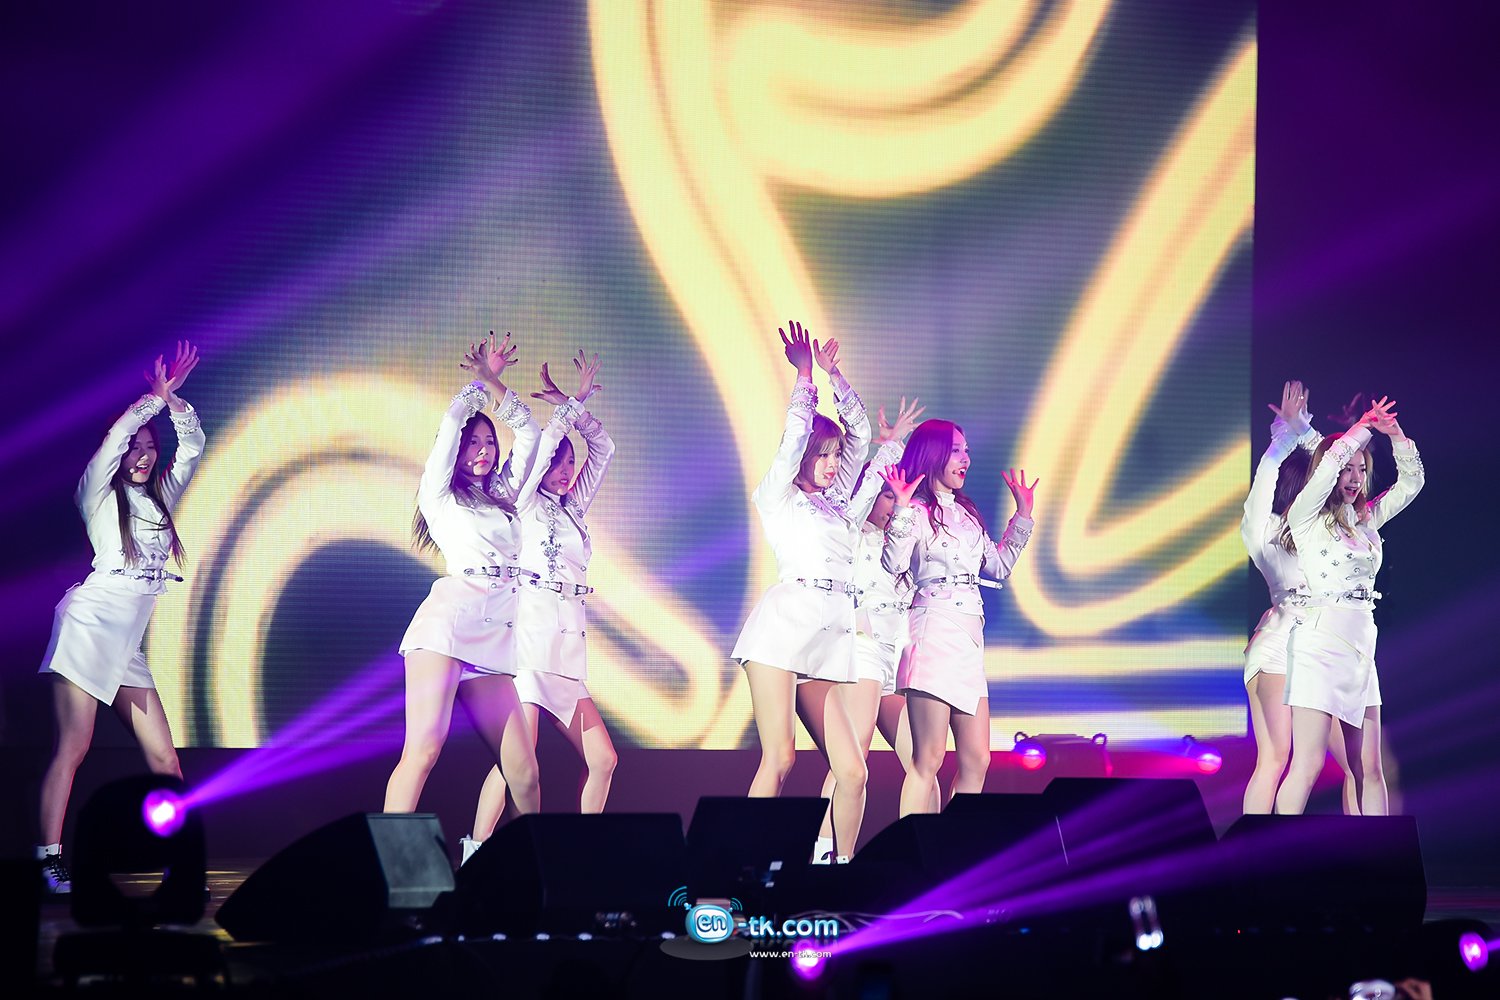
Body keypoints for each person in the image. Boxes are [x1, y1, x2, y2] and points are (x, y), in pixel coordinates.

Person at [384, 333, 583, 821]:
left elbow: (530, 435)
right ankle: (388, 858)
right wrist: (477, 385)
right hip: (447, 628)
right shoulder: (440, 494)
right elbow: (452, 423)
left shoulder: (502, 494)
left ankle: (519, 862)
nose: (483, 450)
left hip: (495, 637)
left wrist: (496, 385)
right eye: (473, 442)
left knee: (526, 774)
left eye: (489, 442)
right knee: (423, 751)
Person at [37, 342, 204, 893]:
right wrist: (150, 401)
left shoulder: (159, 501)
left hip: (127, 646)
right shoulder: (97, 494)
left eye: (150, 449)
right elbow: (114, 440)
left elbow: (193, 448)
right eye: (136, 448)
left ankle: (180, 866)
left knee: (166, 760)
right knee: (74, 746)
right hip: (89, 627)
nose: (143, 456)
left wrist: (174, 405)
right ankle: (47, 860)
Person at [730, 320, 876, 862]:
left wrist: (836, 376)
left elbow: (862, 437)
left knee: (853, 771)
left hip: (828, 639)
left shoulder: (834, 505)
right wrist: (806, 377)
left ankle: (840, 871)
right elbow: (794, 440)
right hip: (782, 633)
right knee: (781, 758)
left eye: (835, 456)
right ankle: (741, 867)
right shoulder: (779, 497)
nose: (834, 464)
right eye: (824, 455)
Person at [464, 354, 614, 862]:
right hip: (530, 638)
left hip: (567, 649)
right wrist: (567, 410)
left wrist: (577, 408)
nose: (566, 471)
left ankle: (586, 858)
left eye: (571, 463)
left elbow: (604, 448)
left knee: (604, 759)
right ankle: (478, 852)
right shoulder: (523, 500)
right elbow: (547, 441)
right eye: (558, 463)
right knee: (517, 760)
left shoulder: (574, 509)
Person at [1273, 395, 1423, 815]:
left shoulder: (1365, 520)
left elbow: (1411, 483)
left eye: (1362, 469)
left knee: (1370, 767)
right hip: (1320, 643)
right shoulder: (1306, 518)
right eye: (1347, 469)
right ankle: (1276, 850)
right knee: (1307, 764)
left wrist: (1394, 434)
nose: (1355, 478)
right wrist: (1364, 426)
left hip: (1360, 646)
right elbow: (1328, 463)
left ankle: (1381, 852)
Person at [880, 421, 1036, 816]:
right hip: (933, 631)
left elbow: (998, 567)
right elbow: (893, 563)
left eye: (966, 450)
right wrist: (901, 510)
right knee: (928, 759)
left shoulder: (967, 513)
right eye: (955, 451)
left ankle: (952, 842)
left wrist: (1022, 515)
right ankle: (913, 844)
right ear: (933, 454)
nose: (965, 458)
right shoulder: (915, 510)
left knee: (978, 759)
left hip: (969, 639)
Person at [809, 400, 925, 863]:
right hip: (862, 651)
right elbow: (870, 484)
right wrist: (889, 444)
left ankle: (925, 859)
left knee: (922, 760)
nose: (893, 502)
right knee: (851, 759)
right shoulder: (852, 531)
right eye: (886, 495)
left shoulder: (898, 541)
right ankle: (825, 857)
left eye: (897, 497)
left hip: (895, 660)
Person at [1241, 380, 1357, 814]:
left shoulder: (1325, 531)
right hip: (1281, 649)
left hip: (1317, 650)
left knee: (1354, 764)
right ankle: (1255, 850)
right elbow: (1281, 476)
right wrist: (1290, 434)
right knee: (1277, 758)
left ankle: (1367, 849)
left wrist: (1294, 433)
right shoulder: (1273, 532)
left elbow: (1334, 466)